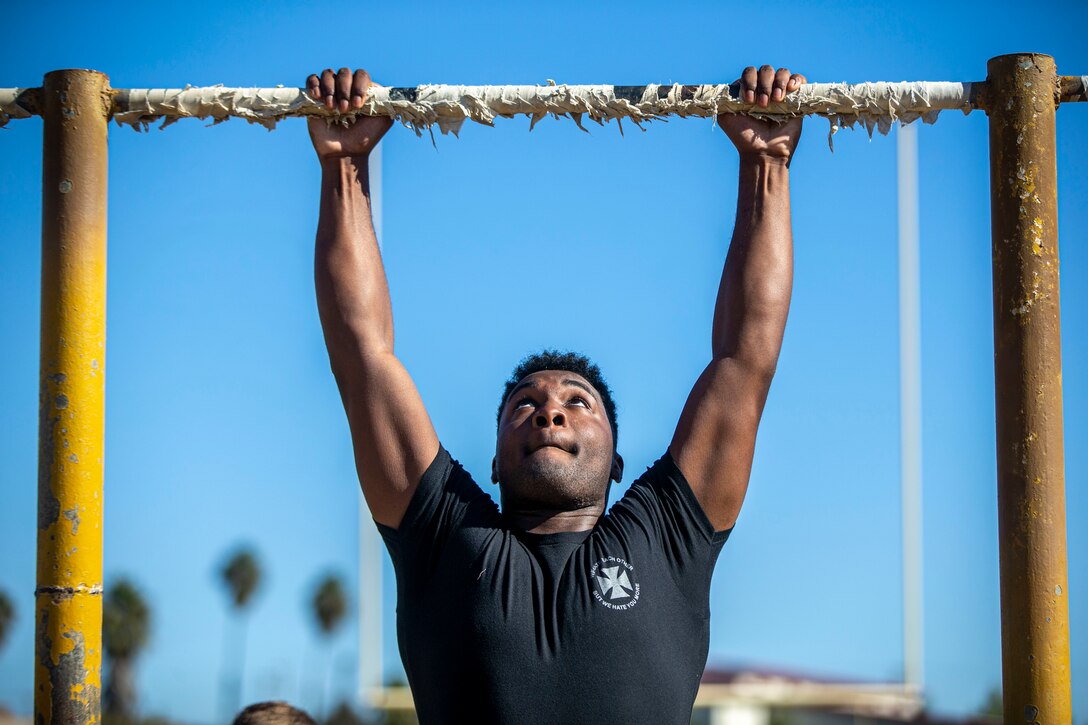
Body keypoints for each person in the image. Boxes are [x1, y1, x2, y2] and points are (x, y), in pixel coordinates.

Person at [306, 64, 805, 725]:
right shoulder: (445, 537)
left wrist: (766, 164)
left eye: (578, 401)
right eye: (524, 405)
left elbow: (746, 357)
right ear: (492, 460)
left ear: (619, 460)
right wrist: (344, 167)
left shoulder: (666, 536)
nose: (550, 410)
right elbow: (362, 356)